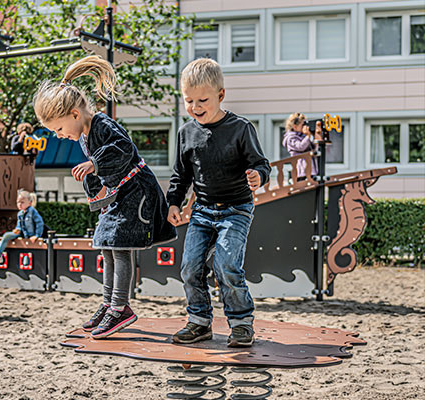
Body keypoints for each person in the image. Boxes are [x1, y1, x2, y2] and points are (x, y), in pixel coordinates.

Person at [33, 55, 176, 339]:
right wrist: (95, 190)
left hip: (137, 192)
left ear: (75, 114)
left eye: (59, 129)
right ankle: (109, 303)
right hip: (120, 194)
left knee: (120, 247)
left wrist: (94, 164)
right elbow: (96, 174)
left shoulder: (102, 125)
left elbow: (122, 149)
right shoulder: (85, 135)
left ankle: (120, 308)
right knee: (106, 245)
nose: (59, 136)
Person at [166, 58, 271, 347]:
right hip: (202, 211)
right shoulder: (186, 133)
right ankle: (200, 322)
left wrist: (257, 176)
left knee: (226, 265)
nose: (195, 107)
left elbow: (262, 164)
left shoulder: (240, 128)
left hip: (236, 210)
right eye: (188, 100)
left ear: (220, 95)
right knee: (189, 267)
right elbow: (181, 175)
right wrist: (173, 203)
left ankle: (240, 323)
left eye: (203, 100)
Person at [0, 190, 44, 265]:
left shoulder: (32, 211)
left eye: (22, 202)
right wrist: (17, 229)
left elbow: (39, 223)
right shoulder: (20, 214)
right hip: (22, 233)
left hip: (30, 234)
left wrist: (37, 235)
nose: (19, 204)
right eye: (18, 202)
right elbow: (19, 225)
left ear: (29, 203)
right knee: (6, 235)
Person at [282, 112, 318, 180]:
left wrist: (313, 135)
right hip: (301, 170)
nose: (305, 127)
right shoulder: (290, 138)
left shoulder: (303, 136)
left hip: (310, 168)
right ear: (295, 126)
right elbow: (301, 147)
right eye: (302, 125)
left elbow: (313, 147)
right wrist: (307, 136)